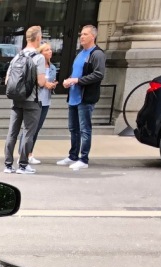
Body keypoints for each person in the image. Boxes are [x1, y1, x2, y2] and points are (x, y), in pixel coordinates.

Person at [58, 24, 105, 171]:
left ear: (93, 36)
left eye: (85, 34)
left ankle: (83, 158)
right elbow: (76, 73)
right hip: (74, 96)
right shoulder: (80, 53)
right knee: (73, 128)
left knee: (85, 129)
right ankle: (73, 155)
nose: (82, 37)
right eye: (81, 34)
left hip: (85, 98)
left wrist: (77, 81)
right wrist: (69, 80)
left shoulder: (97, 54)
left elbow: (98, 74)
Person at [2, 26, 48, 175]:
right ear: (38, 38)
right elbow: (41, 82)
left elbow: (7, 80)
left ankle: (8, 165)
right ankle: (23, 165)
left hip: (16, 100)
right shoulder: (39, 58)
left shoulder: (17, 56)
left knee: (12, 132)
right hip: (32, 100)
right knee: (28, 132)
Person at [28, 43, 58, 165]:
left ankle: (29, 153)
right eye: (47, 50)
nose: (50, 51)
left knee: (37, 128)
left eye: (50, 49)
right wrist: (44, 83)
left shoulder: (53, 68)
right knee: (31, 128)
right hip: (35, 99)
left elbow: (50, 82)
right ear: (41, 53)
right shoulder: (35, 66)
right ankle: (26, 153)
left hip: (46, 101)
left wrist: (52, 85)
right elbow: (34, 81)